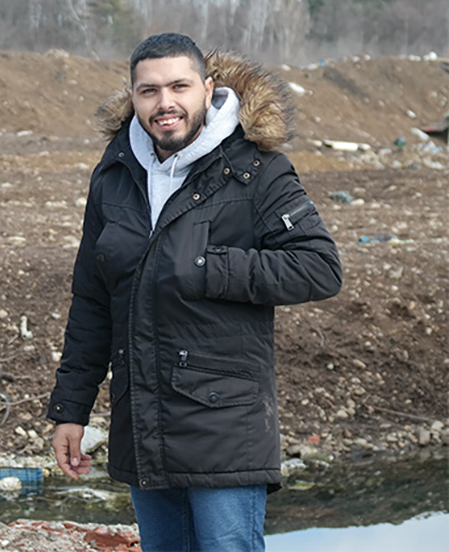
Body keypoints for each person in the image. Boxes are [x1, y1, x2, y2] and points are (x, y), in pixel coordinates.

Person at [48, 33, 342, 552]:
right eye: (149, 91)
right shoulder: (115, 175)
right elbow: (92, 300)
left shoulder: (256, 169)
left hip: (225, 426)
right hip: (142, 420)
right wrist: (71, 410)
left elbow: (318, 267)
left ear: (207, 89)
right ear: (133, 96)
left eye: (179, 86)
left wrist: (208, 265)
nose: (165, 103)